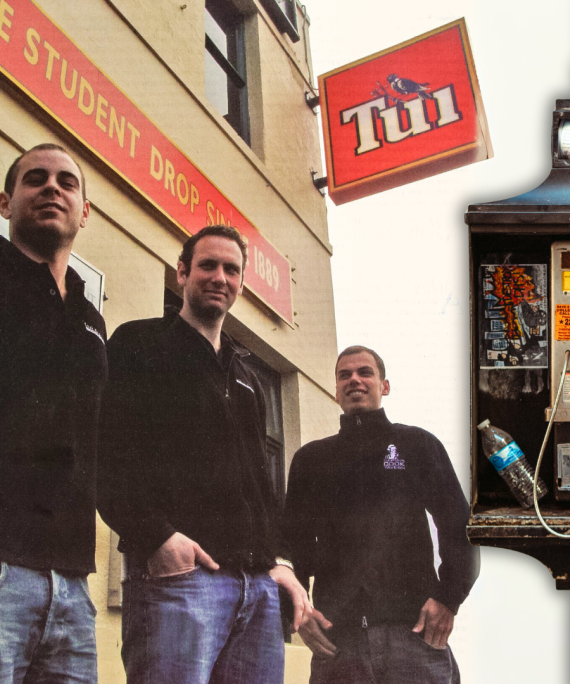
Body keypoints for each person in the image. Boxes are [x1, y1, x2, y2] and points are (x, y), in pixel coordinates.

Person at [98, 225, 312, 684]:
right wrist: (157, 536)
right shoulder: (139, 344)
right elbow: (105, 451)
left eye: (231, 269)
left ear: (240, 283)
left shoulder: (247, 376)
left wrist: (280, 561)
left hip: (256, 590)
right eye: (207, 265)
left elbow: (262, 483)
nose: (220, 277)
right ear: (181, 273)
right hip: (179, 581)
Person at [283, 346, 479, 683]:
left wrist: (449, 598)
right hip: (338, 643)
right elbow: (291, 544)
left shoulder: (416, 445)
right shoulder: (311, 460)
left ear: (384, 385)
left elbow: (459, 524)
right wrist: (296, 612)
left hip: (413, 636)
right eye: (344, 375)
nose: (354, 380)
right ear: (335, 389)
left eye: (365, 372)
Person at [0, 143, 105, 684]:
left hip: (71, 584)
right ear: (5, 202)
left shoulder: (90, 318)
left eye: (67, 183)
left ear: (84, 210)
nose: (51, 188)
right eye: (35, 178)